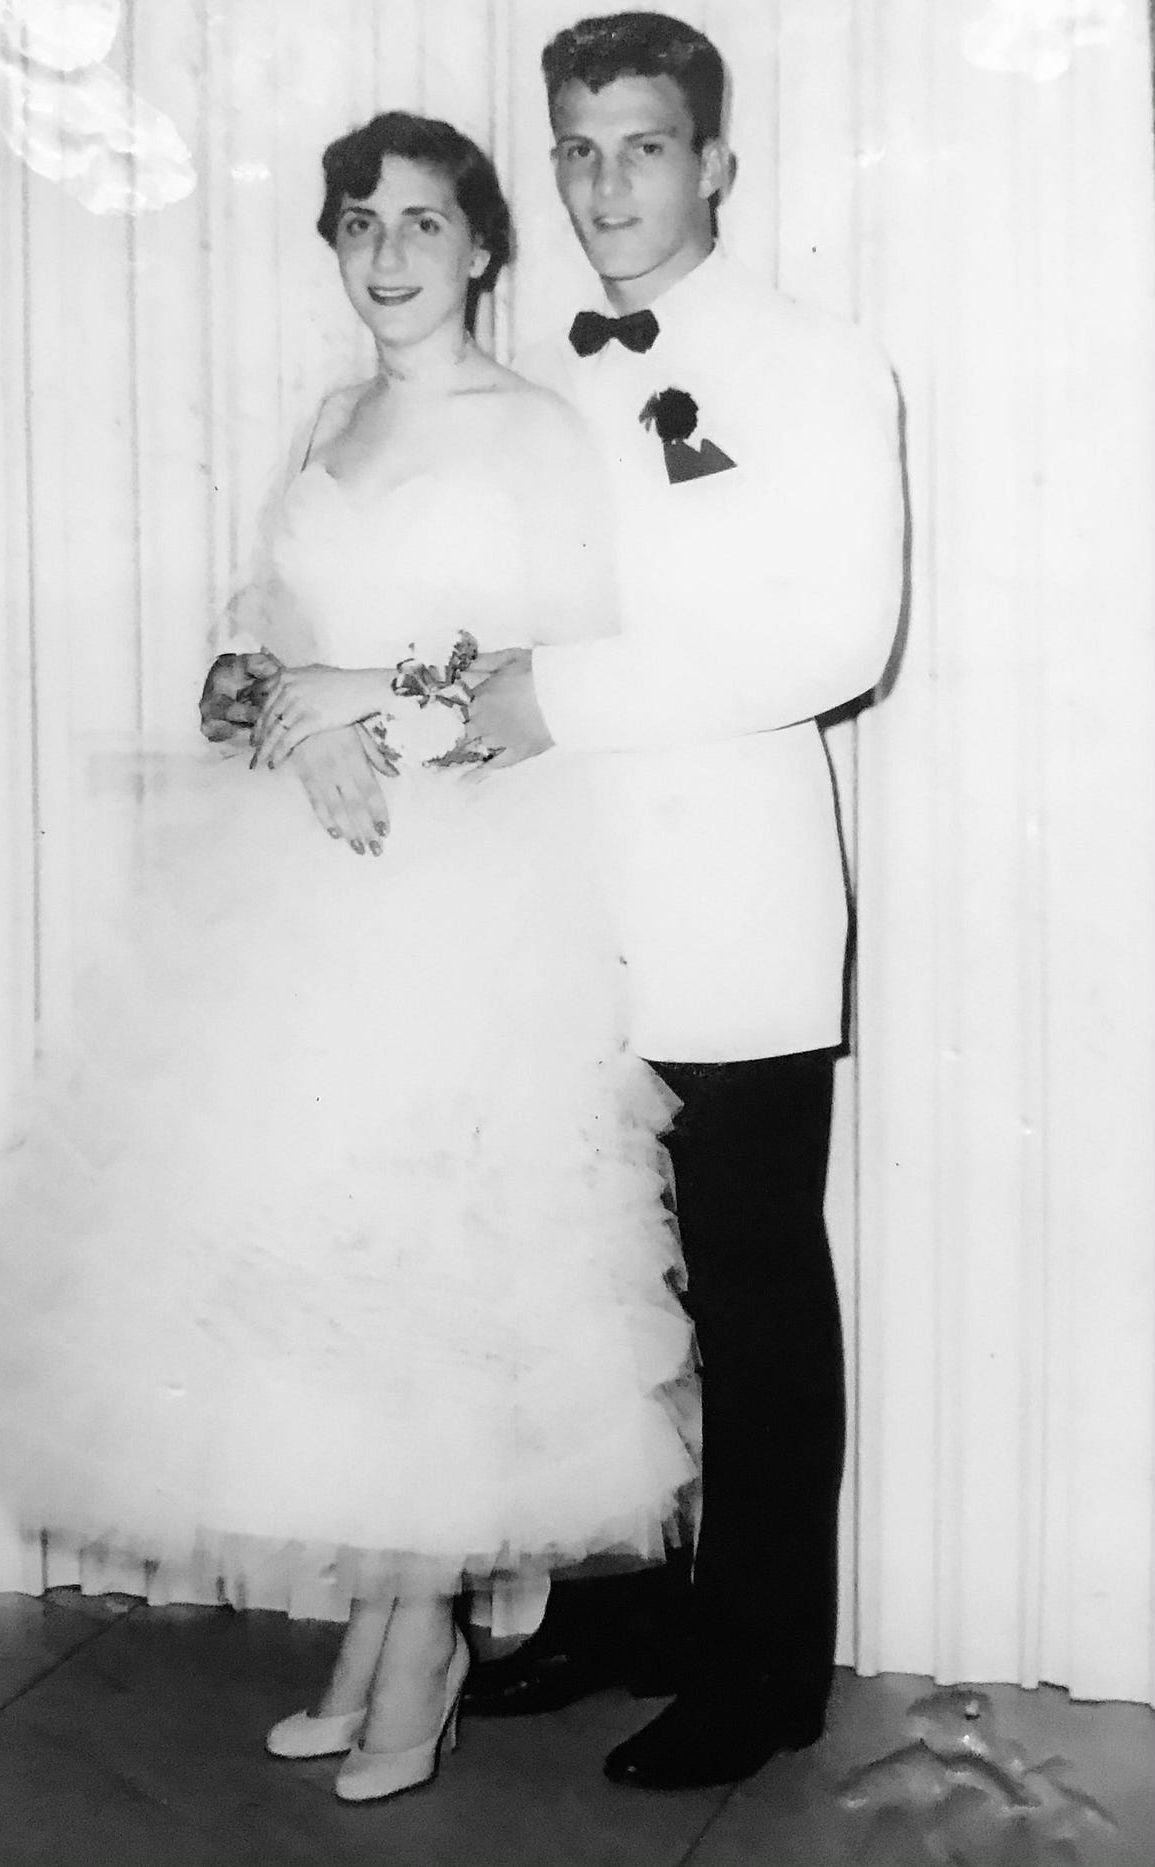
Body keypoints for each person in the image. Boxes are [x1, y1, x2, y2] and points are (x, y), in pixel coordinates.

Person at [0, 110, 698, 1808]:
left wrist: (375, 725)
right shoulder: (332, 417)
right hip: (298, 884)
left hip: (456, 891)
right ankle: (369, 1633)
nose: (390, 251)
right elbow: (256, 635)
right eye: (361, 221)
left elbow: (555, 667)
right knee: (310, 1274)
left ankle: (422, 1649)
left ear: (484, 248)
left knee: (413, 1273)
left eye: (426, 222)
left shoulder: (530, 431)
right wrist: (268, 707)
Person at [457, 13, 905, 1791]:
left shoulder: (816, 359)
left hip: (734, 903)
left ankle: (764, 1665)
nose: (602, 182)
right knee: (589, 1281)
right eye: (575, 147)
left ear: (714, 161)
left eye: (639, 144)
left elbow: (830, 641)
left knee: (749, 1294)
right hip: (557, 903)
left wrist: (556, 698)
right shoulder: (529, 383)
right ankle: (624, 1606)